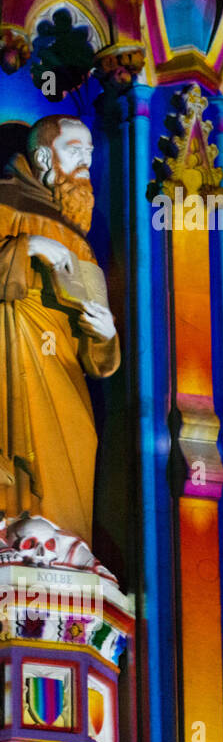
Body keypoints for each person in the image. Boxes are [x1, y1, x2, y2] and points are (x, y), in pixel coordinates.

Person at [0, 115, 119, 544]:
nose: (85, 161)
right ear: (43, 156)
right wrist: (26, 246)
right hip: (13, 350)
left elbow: (97, 359)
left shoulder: (80, 240)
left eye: (89, 152)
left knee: (76, 450)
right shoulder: (5, 204)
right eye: (74, 150)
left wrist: (105, 335)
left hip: (65, 372)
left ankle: (65, 548)